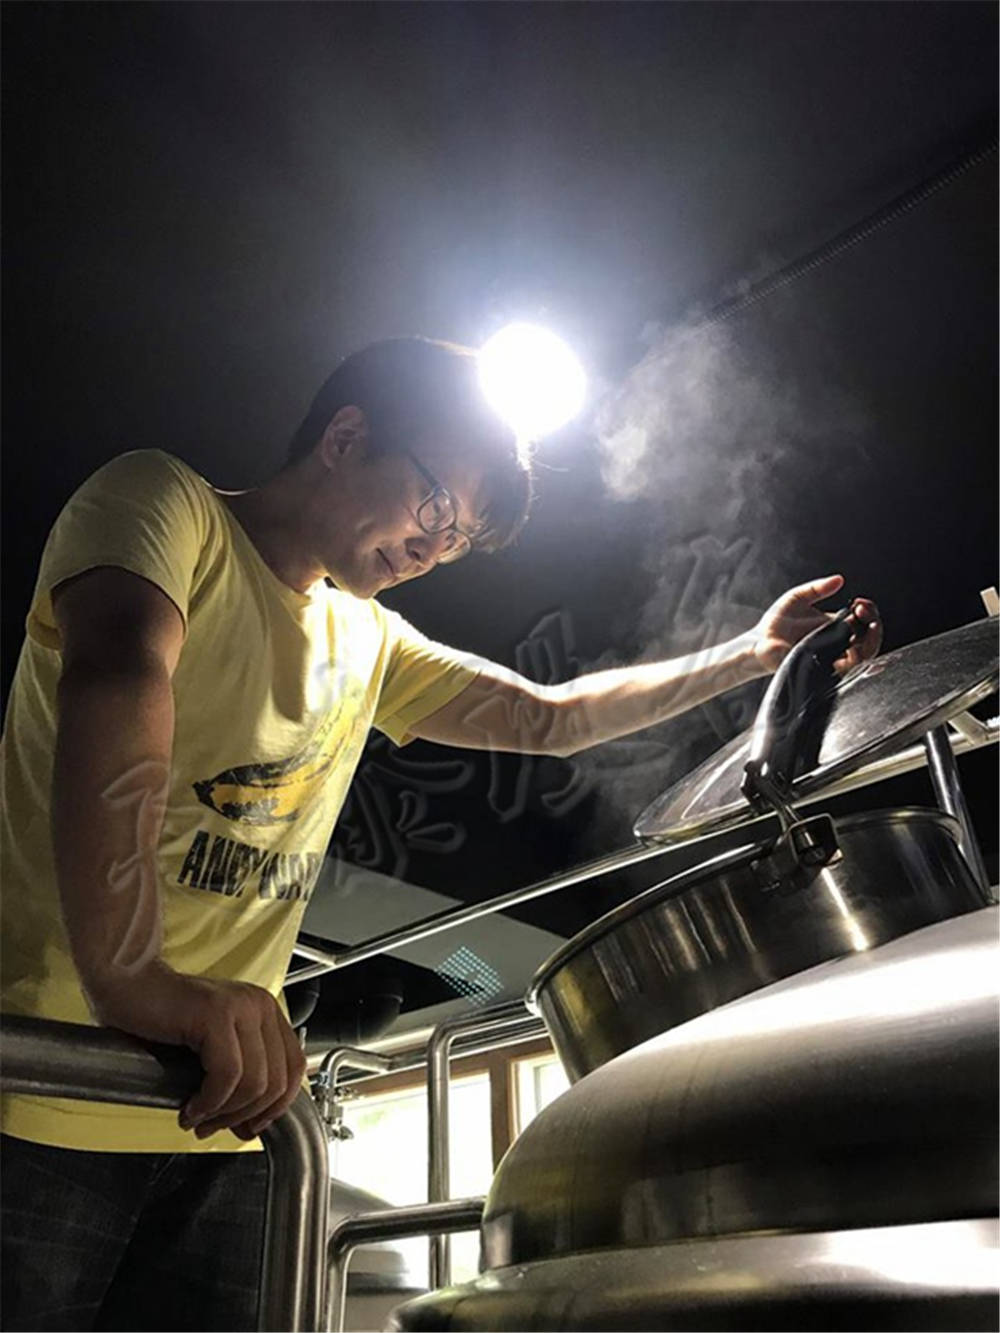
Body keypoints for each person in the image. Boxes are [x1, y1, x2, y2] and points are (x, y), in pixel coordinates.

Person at [0, 337, 881, 1331]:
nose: (433, 548)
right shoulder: (164, 505)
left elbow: (548, 717)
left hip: (225, 1115)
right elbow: (119, 672)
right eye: (432, 506)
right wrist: (132, 976)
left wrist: (751, 654)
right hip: (43, 1083)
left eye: (454, 537)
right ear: (346, 437)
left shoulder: (367, 638)